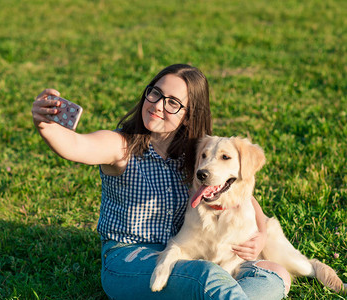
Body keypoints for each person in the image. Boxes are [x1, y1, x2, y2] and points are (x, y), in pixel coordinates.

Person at [32, 64, 290, 299]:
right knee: (207, 277)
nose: (157, 105)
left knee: (274, 273)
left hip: (185, 254)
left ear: (188, 116)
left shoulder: (197, 154)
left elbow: (237, 190)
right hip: (130, 260)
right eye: (154, 93)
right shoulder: (122, 146)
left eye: (173, 103)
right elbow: (78, 145)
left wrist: (262, 232)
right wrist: (48, 127)